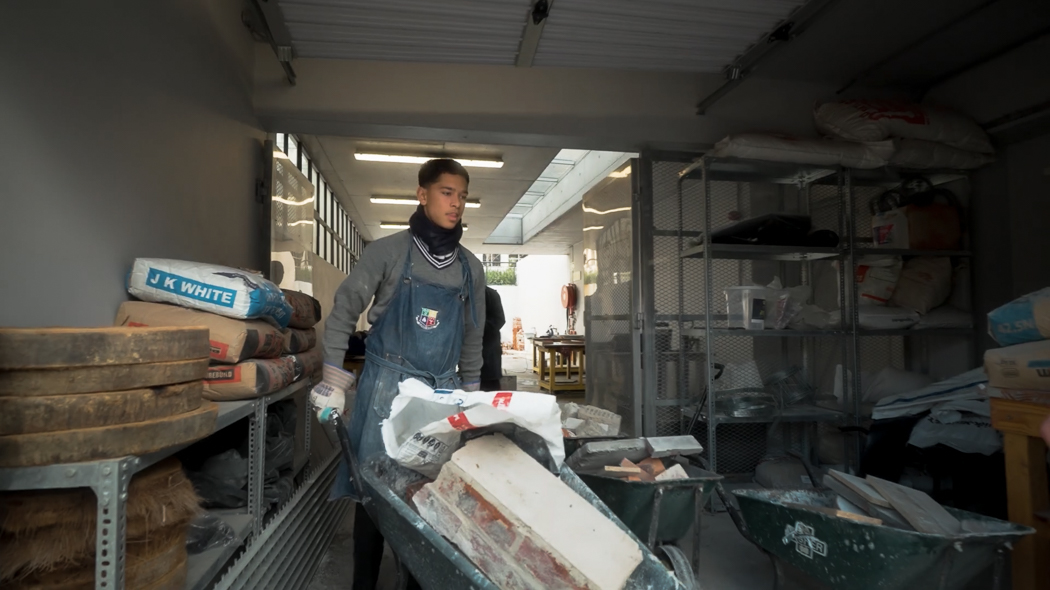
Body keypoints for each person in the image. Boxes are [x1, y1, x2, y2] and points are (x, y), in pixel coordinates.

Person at [310, 158, 485, 590]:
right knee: (373, 492)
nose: (456, 203)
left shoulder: (470, 269)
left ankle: (417, 581)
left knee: (428, 491)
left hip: (441, 393)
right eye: (447, 192)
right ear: (422, 194)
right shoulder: (387, 252)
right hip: (385, 388)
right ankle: (364, 585)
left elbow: (471, 339)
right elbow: (345, 310)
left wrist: (473, 395)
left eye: (462, 196)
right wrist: (333, 380)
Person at [480, 286, 506, 392]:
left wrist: (477, 327)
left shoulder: (490, 295)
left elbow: (499, 320)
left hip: (488, 350)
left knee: (489, 387)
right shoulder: (465, 294)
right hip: (469, 352)